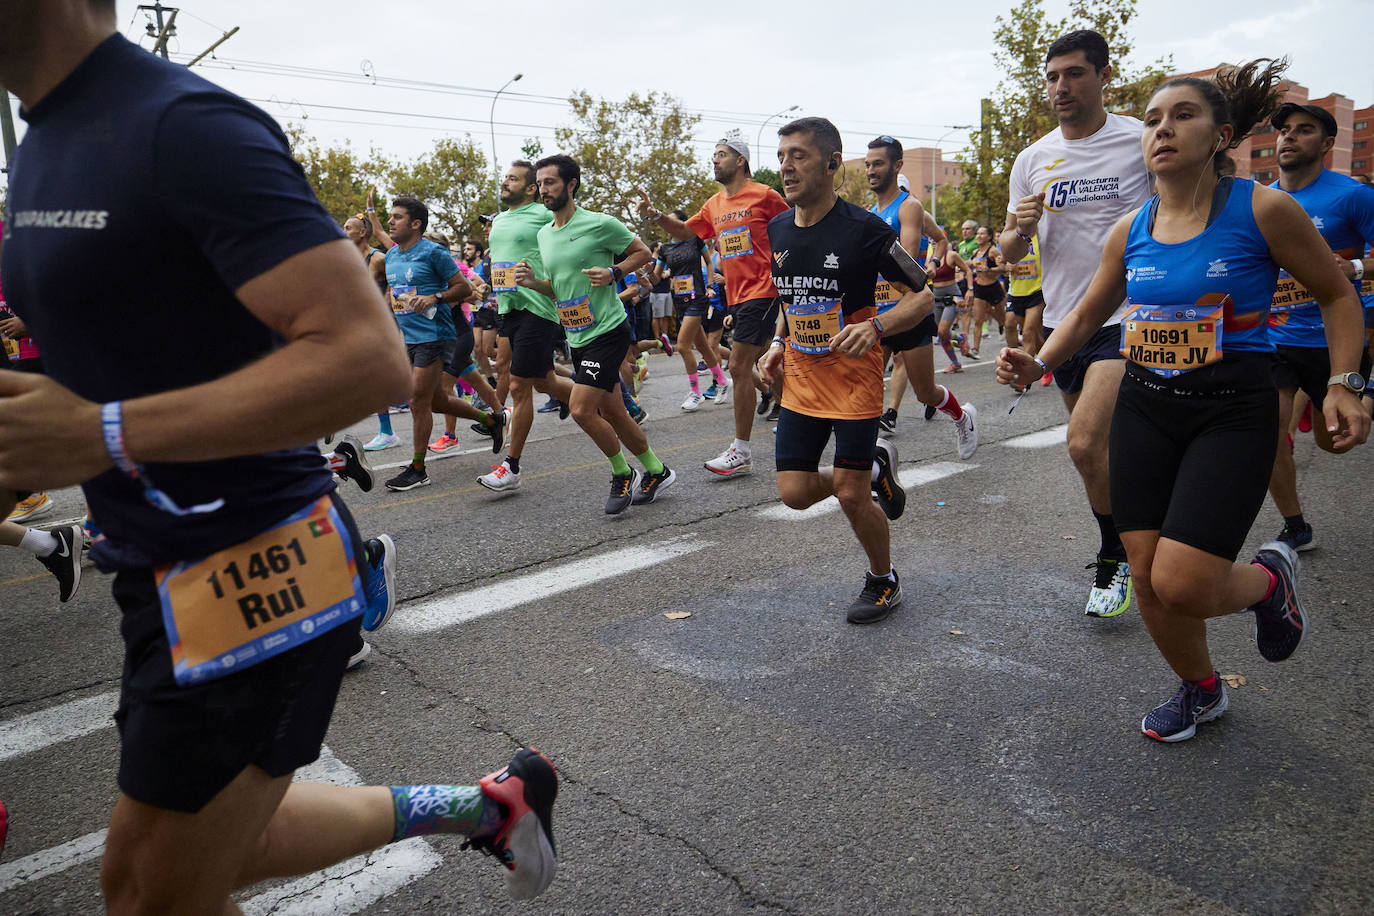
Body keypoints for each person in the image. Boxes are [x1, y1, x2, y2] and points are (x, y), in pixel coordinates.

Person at [0, 5, 559, 910]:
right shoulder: (40, 140)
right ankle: (487, 807)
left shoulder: (181, 126)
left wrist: (102, 433)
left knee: (151, 893)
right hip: (154, 563)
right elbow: (102, 362)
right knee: (206, 860)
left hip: (258, 561)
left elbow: (363, 356)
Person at [996, 60, 1369, 741]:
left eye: (1183, 116)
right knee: (1146, 573)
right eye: (1155, 120)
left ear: (1220, 134)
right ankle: (1200, 691)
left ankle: (1268, 581)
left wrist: (1345, 382)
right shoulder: (1133, 226)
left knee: (1187, 581)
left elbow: (1337, 292)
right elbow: (1084, 314)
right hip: (1146, 402)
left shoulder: (1262, 208)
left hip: (1232, 409)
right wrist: (1038, 361)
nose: (1164, 129)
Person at [998, 29, 1155, 619]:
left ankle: (1116, 557)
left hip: (1128, 316)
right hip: (1066, 325)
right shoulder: (1033, 159)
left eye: (1074, 73)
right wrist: (1019, 226)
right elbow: (1011, 253)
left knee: (1085, 442)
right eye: (1053, 76)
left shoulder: (1140, 142)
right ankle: (1136, 531)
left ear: (1103, 75)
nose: (1061, 86)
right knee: (1101, 456)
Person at [757, 117, 935, 624]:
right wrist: (777, 343)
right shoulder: (778, 228)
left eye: (799, 156)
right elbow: (792, 298)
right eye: (782, 156)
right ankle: (876, 468)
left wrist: (877, 328)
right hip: (801, 380)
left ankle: (883, 578)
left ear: (833, 163)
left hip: (854, 383)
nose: (787, 167)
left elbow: (922, 296)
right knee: (793, 495)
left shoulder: (865, 230)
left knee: (852, 495)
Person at [516, 154, 676, 513]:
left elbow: (643, 252)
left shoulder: (599, 223)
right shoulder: (544, 234)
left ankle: (623, 474)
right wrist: (533, 283)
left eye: (550, 182)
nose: (543, 190)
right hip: (577, 334)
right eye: (540, 184)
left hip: (608, 329)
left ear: (571, 185)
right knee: (615, 412)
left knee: (580, 409)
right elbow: (559, 289)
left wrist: (614, 273)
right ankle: (657, 470)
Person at [637, 130, 791, 477]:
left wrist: (790, 269)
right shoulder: (714, 204)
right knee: (771, 361)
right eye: (714, 154)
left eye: (720, 154)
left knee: (738, 366)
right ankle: (800, 408)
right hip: (735, 296)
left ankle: (742, 449)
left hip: (763, 290)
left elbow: (795, 227)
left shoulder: (765, 195)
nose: (714, 159)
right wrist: (656, 215)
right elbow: (685, 233)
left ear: (740, 160)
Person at [1262, 102, 1374, 552]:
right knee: (1267, 430)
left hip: (1334, 340)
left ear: (1327, 144)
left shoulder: (1353, 196)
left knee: (1336, 444)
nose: (1288, 137)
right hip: (1274, 339)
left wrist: (1354, 267)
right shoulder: (1264, 200)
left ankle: (1354, 397)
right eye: (1284, 130)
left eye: (1303, 130)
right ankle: (1295, 525)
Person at [863, 136, 978, 457]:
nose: (871, 170)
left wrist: (931, 264)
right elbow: (936, 244)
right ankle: (866, 458)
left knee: (926, 392)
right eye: (868, 164)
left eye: (879, 164)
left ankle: (962, 417)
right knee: (865, 387)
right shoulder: (871, 213)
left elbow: (908, 257)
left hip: (910, 310)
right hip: (881, 311)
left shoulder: (909, 206)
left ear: (897, 166)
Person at [381, 197, 505, 491]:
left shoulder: (433, 253)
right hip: (408, 337)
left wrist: (435, 298)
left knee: (417, 401)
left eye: (397, 217)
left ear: (415, 224)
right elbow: (394, 292)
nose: (390, 222)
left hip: (435, 335)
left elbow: (463, 287)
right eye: (390, 217)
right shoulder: (391, 256)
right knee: (436, 401)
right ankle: (491, 421)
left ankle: (418, 468)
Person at [478, 160, 575, 492]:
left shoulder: (542, 214)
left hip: (538, 306)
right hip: (509, 308)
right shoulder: (500, 219)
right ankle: (598, 401)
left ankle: (511, 467)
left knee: (520, 387)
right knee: (544, 383)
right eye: (504, 177)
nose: (505, 183)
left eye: (513, 179)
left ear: (532, 187)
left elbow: (571, 233)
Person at [343, 209, 402, 452]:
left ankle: (387, 432)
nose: (343, 232)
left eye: (348, 228)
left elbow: (397, 282)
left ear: (363, 232)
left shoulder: (378, 258)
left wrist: (387, 308)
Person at [658, 211, 729, 410]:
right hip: (679, 301)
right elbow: (657, 276)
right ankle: (722, 381)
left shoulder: (694, 241)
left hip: (698, 298)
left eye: (675, 221)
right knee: (704, 348)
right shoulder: (665, 249)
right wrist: (648, 276)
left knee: (682, 345)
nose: (671, 224)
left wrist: (708, 285)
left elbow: (708, 261)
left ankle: (695, 392)